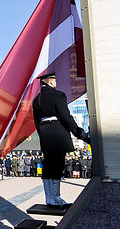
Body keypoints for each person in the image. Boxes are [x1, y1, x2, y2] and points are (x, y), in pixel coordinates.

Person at [32, 72, 89, 208]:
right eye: (55, 81)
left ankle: (49, 198)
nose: (56, 84)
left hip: (45, 133)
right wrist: (77, 132)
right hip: (58, 132)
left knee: (47, 166)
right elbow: (66, 116)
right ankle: (56, 198)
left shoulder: (37, 99)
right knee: (57, 165)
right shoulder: (58, 95)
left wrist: (43, 134)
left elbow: (36, 121)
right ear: (50, 82)